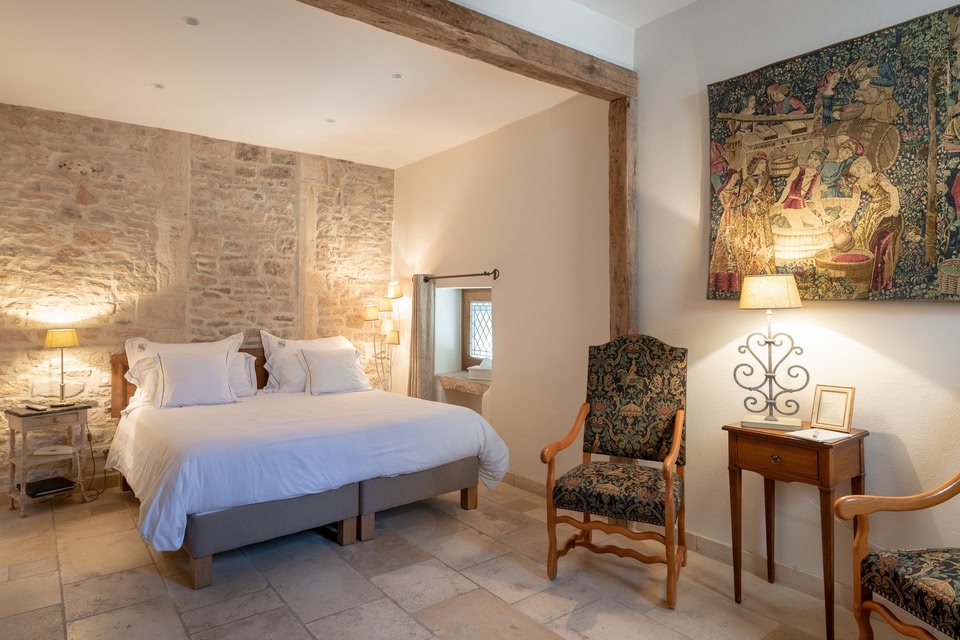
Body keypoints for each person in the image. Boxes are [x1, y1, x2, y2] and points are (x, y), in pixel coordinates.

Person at [850, 156, 902, 291]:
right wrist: (845, 217)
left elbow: (892, 190)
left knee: (875, 231)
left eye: (859, 169)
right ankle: (864, 268)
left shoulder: (877, 176)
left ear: (865, 167)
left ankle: (875, 272)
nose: (857, 173)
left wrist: (894, 208)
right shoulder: (857, 184)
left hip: (885, 204)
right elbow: (854, 204)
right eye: (855, 172)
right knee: (859, 232)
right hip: (872, 208)